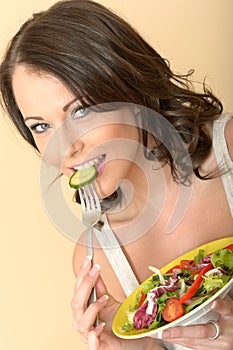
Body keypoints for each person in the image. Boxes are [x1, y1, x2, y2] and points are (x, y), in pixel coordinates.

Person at [1, 0, 233, 349]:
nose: (66, 147)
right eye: (42, 126)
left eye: (80, 111)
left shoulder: (229, 151)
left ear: (127, 88)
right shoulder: (98, 263)